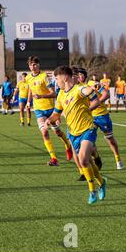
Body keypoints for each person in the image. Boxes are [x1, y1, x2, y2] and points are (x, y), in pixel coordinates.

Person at [45, 66, 106, 205]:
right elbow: (56, 113)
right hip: (73, 133)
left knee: (84, 159)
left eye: (56, 78)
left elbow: (95, 99)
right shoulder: (60, 94)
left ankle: (92, 191)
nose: (56, 82)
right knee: (88, 162)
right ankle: (102, 183)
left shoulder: (79, 89)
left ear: (64, 77)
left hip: (87, 129)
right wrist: (50, 120)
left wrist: (88, 106)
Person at [25, 56, 73, 166]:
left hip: (50, 109)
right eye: (31, 64)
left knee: (58, 132)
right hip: (38, 110)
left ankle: (68, 145)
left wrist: (41, 96)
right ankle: (54, 158)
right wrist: (28, 102)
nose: (33, 66)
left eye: (35, 64)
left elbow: (53, 93)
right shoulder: (28, 78)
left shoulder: (44, 77)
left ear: (39, 65)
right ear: (29, 66)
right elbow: (30, 90)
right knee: (44, 132)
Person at [77, 69, 123, 170]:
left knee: (110, 140)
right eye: (77, 75)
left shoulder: (92, 84)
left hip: (102, 116)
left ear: (84, 76)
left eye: (80, 75)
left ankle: (118, 159)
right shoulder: (76, 88)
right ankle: (96, 159)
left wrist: (96, 102)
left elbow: (106, 94)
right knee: (88, 141)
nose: (78, 77)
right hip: (89, 117)